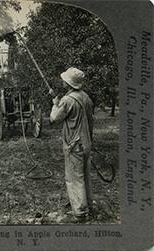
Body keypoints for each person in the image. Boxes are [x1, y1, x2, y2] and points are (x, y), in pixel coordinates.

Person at [49, 67, 94, 223]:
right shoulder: (86, 97)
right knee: (85, 175)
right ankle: (86, 204)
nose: (62, 81)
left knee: (74, 178)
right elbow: (90, 120)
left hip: (74, 144)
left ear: (68, 83)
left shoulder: (67, 100)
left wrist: (55, 104)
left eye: (64, 79)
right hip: (86, 142)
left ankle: (80, 212)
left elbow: (54, 119)